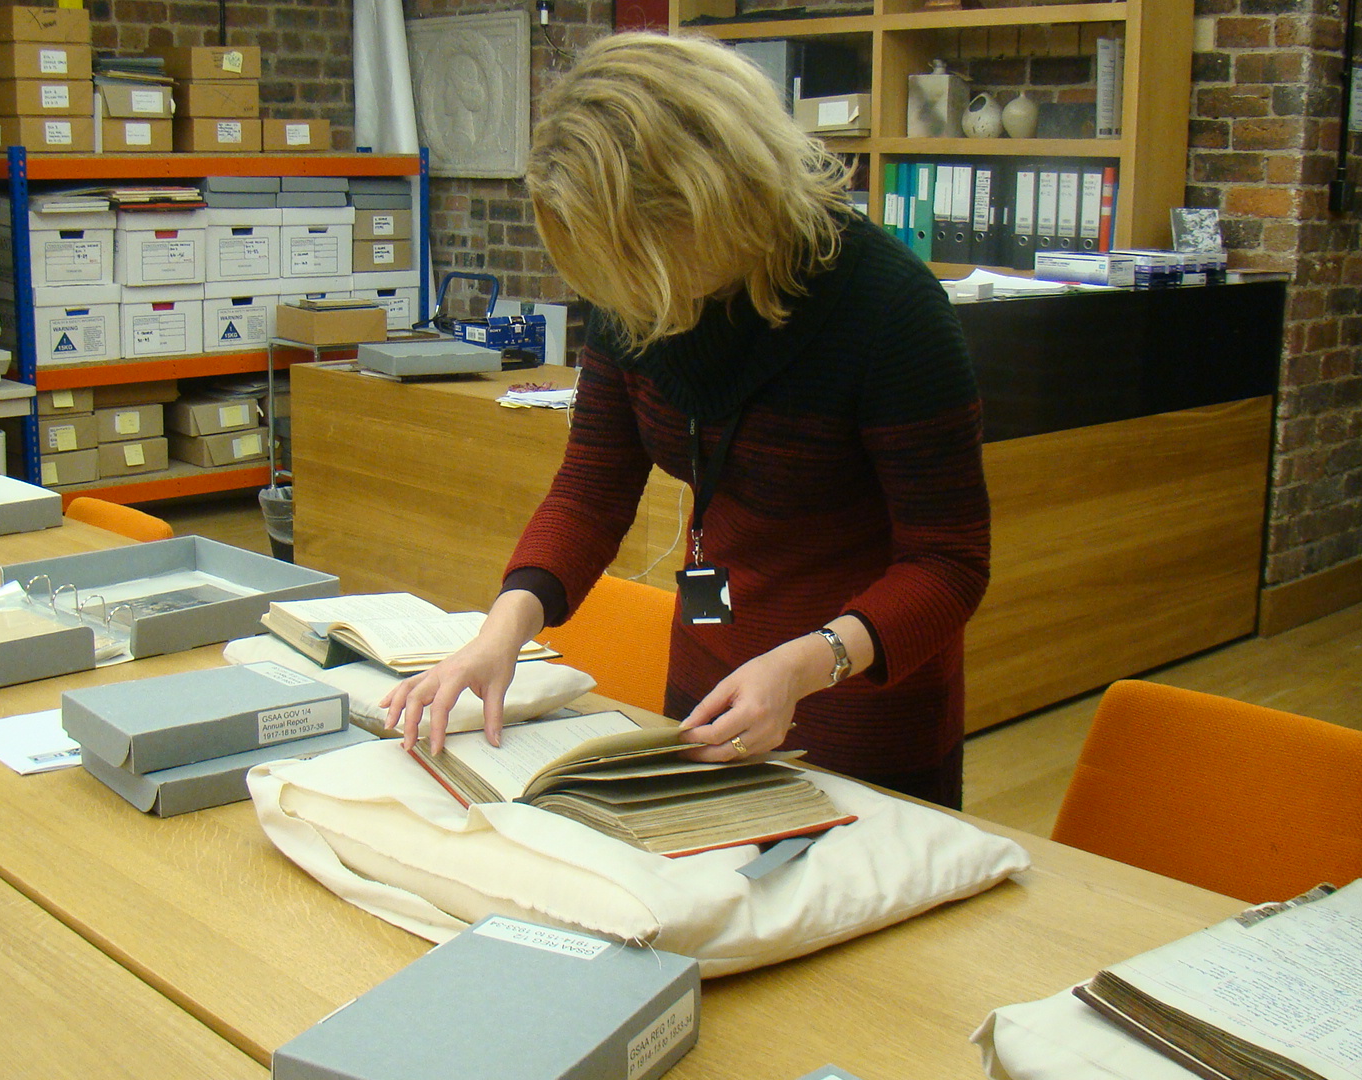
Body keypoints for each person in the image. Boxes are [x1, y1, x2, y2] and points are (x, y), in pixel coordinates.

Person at [382, 32, 989, 808]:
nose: (636, 296)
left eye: (642, 256)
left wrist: (805, 665)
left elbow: (949, 564)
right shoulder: (635, 286)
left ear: (719, 195)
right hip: (709, 679)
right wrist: (504, 630)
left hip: (855, 698)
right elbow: (592, 489)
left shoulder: (890, 312)